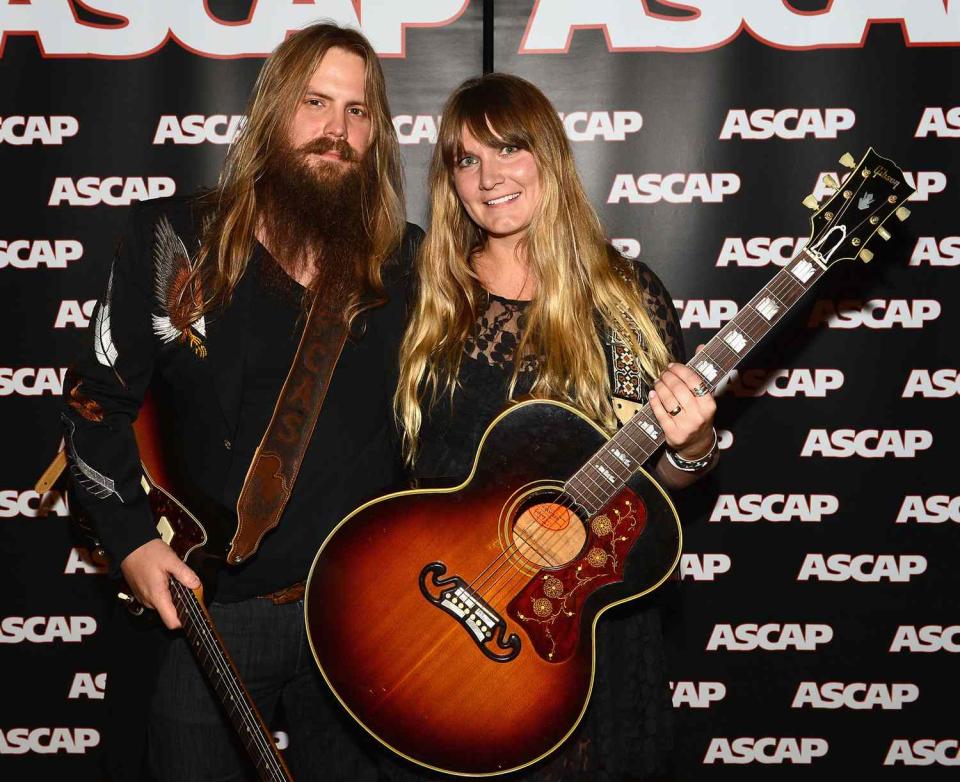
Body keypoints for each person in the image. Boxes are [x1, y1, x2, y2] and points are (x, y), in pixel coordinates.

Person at [61, 22, 421, 781]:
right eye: (316, 103)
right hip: (211, 616)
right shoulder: (175, 239)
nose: (336, 131)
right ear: (272, 111)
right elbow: (95, 404)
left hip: (358, 619)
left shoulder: (409, 262)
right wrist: (130, 542)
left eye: (358, 112)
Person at [392, 73, 719, 781]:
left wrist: (691, 448)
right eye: (466, 159)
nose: (489, 177)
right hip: (451, 617)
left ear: (549, 156)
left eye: (509, 149)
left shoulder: (627, 296)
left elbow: (657, 482)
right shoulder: (422, 295)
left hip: (596, 631)